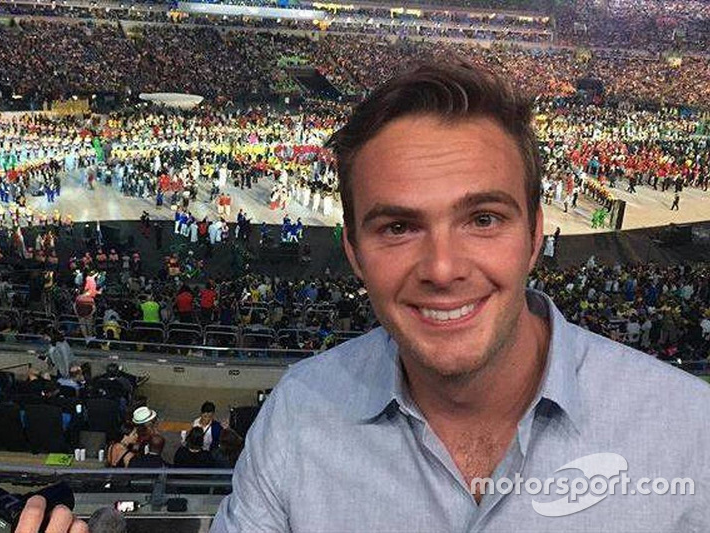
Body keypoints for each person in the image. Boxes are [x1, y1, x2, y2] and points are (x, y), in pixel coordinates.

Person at [210, 63, 710, 531]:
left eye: (483, 219)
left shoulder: (689, 429)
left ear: (536, 234)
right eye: (399, 227)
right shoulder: (297, 415)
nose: (443, 269)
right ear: (354, 252)